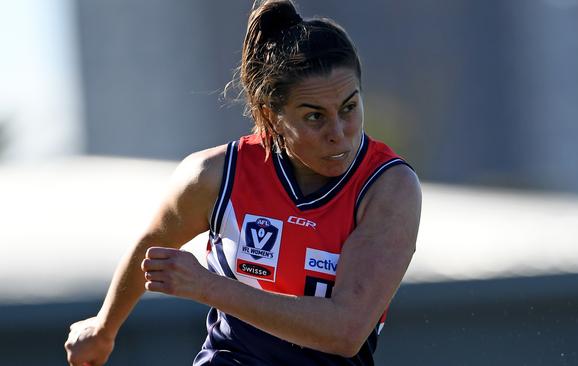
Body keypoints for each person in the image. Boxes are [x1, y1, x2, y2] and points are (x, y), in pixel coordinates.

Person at [64, 0, 421, 365]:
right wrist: (104, 327)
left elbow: (346, 331)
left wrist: (207, 286)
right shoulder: (214, 175)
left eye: (349, 108)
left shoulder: (389, 187)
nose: (338, 135)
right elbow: (152, 245)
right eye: (314, 117)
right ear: (272, 116)